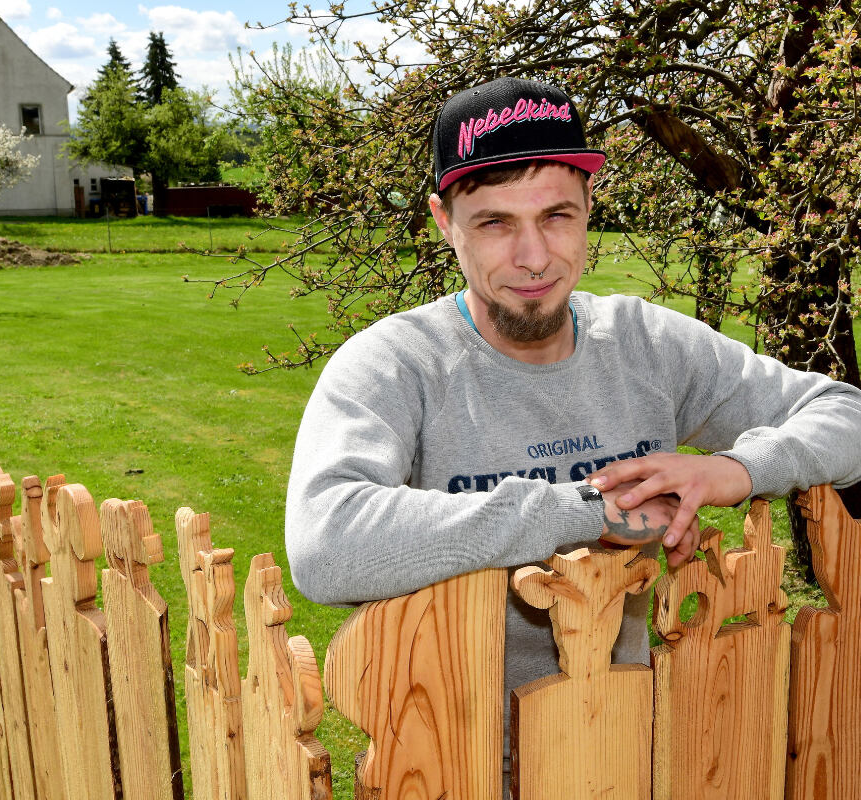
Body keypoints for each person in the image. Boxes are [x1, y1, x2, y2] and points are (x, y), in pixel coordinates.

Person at [284, 75, 861, 770]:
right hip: (455, 764)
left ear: (590, 203)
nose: (533, 257)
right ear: (443, 221)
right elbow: (324, 544)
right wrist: (588, 509)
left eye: (556, 215)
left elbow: (847, 415)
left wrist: (734, 469)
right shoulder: (396, 364)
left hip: (629, 752)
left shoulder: (646, 344)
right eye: (495, 223)